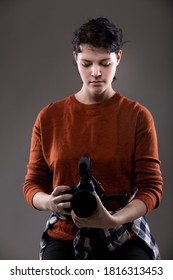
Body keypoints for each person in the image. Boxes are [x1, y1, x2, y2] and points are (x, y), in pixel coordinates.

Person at [23, 17, 163, 260]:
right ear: (75, 58)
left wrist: (112, 219)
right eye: (87, 63)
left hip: (123, 231)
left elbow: (152, 188)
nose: (96, 72)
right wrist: (50, 203)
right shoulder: (49, 117)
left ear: (118, 58)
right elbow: (32, 184)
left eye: (105, 63)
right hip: (66, 232)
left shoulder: (138, 116)